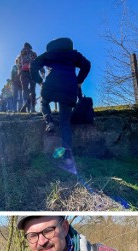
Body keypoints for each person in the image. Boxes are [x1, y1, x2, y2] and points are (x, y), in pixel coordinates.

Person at [30, 37, 91, 173]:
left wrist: (40, 81)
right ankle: (68, 159)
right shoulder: (73, 54)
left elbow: (33, 65)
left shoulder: (49, 54)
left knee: (44, 103)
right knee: (65, 123)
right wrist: (79, 81)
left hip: (51, 85)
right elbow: (87, 64)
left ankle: (49, 121)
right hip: (69, 87)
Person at [17, 42, 38, 112]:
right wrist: (42, 70)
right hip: (31, 72)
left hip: (25, 73)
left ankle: (27, 104)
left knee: (26, 90)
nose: (26, 49)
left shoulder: (21, 55)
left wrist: (19, 72)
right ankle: (31, 106)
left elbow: (19, 65)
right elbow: (37, 62)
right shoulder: (32, 53)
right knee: (32, 90)